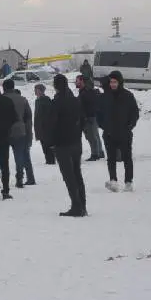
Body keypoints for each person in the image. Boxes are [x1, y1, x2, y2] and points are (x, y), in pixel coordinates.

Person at [49, 74, 87, 217]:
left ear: (55, 86)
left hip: (62, 144)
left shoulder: (57, 102)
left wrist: (52, 141)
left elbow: (52, 124)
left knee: (69, 176)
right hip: (76, 142)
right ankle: (83, 205)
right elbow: (83, 119)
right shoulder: (75, 100)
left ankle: (76, 206)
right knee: (77, 174)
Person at [102, 70, 140, 192]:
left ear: (120, 82)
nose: (112, 84)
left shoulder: (128, 96)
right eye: (111, 82)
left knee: (127, 158)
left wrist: (130, 126)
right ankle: (113, 180)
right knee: (111, 158)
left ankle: (128, 182)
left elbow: (135, 113)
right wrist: (103, 126)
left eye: (115, 82)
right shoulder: (105, 96)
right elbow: (98, 112)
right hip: (109, 133)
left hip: (124, 133)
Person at [4, 79, 36, 188]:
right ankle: (20, 178)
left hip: (4, 131)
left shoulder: (2, 99)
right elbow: (28, 118)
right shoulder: (22, 100)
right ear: (13, 87)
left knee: (1, 156)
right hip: (20, 130)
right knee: (20, 155)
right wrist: (29, 134)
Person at [76, 75, 104, 161]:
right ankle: (100, 152)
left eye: (77, 81)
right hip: (92, 117)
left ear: (82, 81)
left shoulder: (86, 92)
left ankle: (95, 154)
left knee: (92, 136)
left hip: (89, 117)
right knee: (95, 135)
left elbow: (86, 105)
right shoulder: (87, 91)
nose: (76, 82)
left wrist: (85, 116)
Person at [32, 83, 56, 165]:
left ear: (40, 91)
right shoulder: (37, 100)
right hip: (40, 127)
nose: (35, 91)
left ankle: (50, 160)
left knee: (47, 145)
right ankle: (48, 159)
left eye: (36, 90)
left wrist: (46, 124)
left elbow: (49, 114)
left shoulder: (46, 100)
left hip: (46, 127)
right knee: (44, 145)